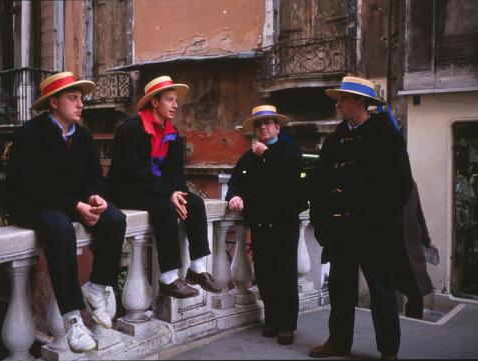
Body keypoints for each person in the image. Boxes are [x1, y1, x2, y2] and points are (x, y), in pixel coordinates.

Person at [6, 71, 127, 353]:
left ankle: (97, 287)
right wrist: (76, 205)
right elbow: (32, 185)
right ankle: (73, 321)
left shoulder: (82, 137)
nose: (80, 104)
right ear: (54, 103)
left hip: (70, 202)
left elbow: (94, 177)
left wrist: (96, 197)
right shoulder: (30, 134)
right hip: (34, 205)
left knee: (115, 219)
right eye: (73, 98)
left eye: (81, 99)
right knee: (60, 228)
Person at [308, 76, 413, 359]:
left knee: (382, 292)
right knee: (340, 291)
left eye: (343, 99)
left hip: (374, 232)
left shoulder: (387, 136)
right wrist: (322, 222)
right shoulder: (335, 140)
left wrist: (376, 219)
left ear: (360, 102)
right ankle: (338, 342)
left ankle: (389, 350)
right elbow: (319, 186)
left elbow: (402, 187)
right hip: (341, 231)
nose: (339, 104)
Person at [108, 75, 221, 299]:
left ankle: (197, 269)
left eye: (175, 100)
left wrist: (178, 192)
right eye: (170, 100)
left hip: (157, 187)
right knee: (165, 208)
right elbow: (134, 172)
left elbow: (175, 171)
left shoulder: (171, 131)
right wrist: (168, 194)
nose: (175, 105)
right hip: (128, 189)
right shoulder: (131, 129)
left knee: (195, 203)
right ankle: (168, 277)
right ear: (155, 102)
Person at [225, 105, 308, 345]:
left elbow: (292, 172)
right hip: (260, 223)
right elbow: (235, 183)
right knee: (265, 273)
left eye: (268, 123)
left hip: (284, 222)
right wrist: (234, 196)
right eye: (259, 125)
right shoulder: (248, 157)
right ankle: (271, 320)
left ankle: (286, 326)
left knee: (284, 273)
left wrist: (266, 155)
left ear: (277, 127)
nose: (263, 128)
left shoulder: (289, 149)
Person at [394, 180, 433, 319]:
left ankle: (415, 320)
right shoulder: (383, 183)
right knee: (388, 288)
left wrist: (425, 236)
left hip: (411, 244)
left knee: (416, 290)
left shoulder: (411, 184)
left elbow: (418, 211)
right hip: (393, 246)